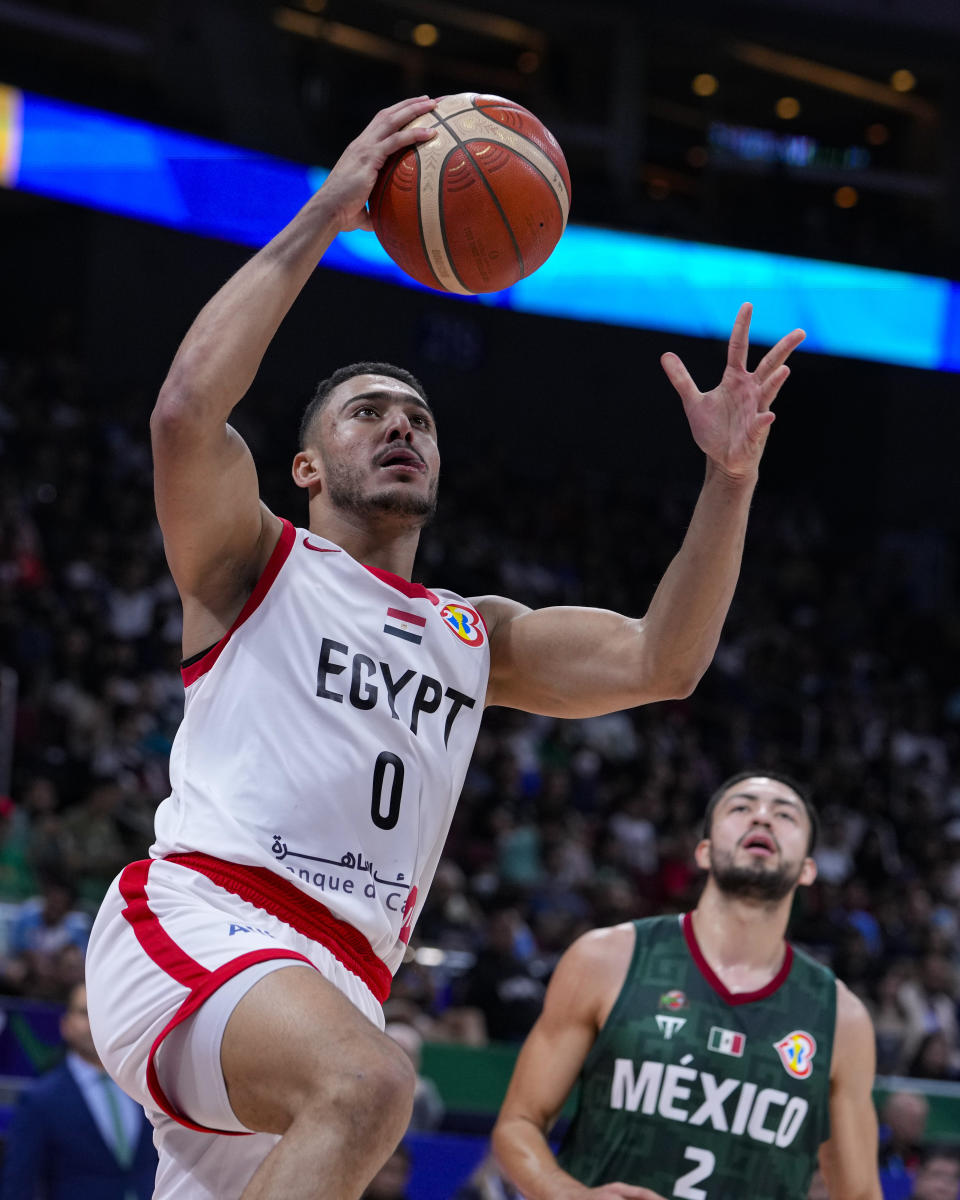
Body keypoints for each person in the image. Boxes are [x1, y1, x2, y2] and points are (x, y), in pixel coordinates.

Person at [84, 95, 805, 1200]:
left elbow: (666, 661)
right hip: (206, 923)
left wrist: (729, 482)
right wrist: (327, 210)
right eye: (367, 413)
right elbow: (186, 410)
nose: (401, 426)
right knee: (372, 1085)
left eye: (417, 417)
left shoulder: (474, 635)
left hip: (337, 982)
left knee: (358, 1083)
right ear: (308, 470)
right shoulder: (254, 562)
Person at [492, 772, 882, 1200]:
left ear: (809, 869)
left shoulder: (841, 1017)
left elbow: (859, 1193)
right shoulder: (606, 959)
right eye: (741, 808)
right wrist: (569, 1194)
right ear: (704, 851)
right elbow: (520, 1123)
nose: (763, 818)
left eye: (785, 815)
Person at [0, 982, 157, 1199]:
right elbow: (19, 1184)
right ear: (66, 1025)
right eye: (85, 1012)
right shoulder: (41, 1100)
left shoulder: (146, 1084)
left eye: (102, 1012)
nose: (94, 1021)